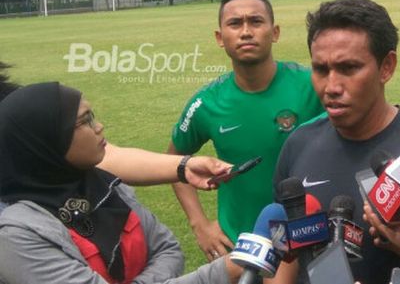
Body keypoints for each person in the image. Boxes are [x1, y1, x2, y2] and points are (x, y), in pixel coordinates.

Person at [273, 0, 400, 284]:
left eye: (348, 68)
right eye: (321, 69)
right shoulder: (298, 144)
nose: (331, 87)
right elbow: (285, 255)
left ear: (387, 67)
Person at [0, 82, 246, 284]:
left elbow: (168, 249)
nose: (99, 127)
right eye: (84, 121)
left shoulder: (106, 185)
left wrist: (183, 166)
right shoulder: (18, 234)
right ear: (48, 141)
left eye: (92, 116)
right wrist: (223, 271)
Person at [168, 0, 323, 261]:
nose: (246, 31)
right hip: (242, 247)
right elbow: (174, 161)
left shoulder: (311, 85)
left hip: (309, 238)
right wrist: (200, 225)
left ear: (274, 32)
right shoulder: (206, 104)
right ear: (220, 37)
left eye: (256, 21)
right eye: (235, 23)